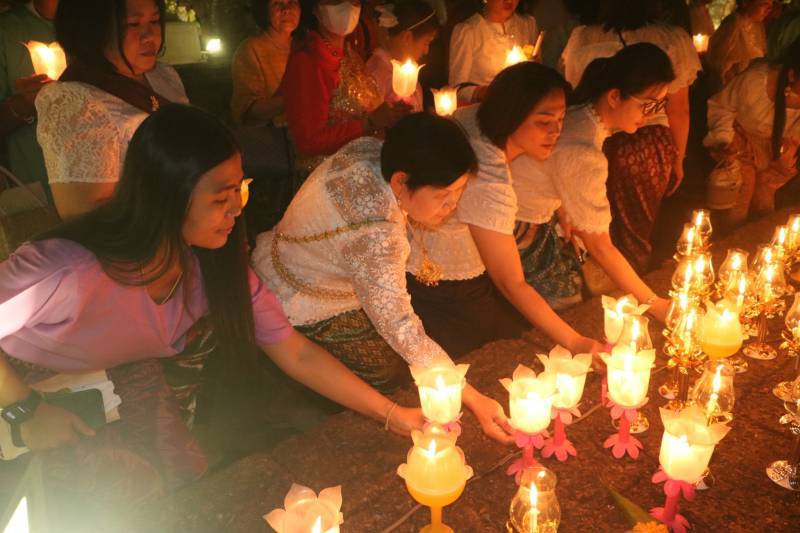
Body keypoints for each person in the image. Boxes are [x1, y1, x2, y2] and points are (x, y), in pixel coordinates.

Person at [0, 105, 422, 527]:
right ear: (167, 196)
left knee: (171, 494)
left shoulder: (207, 265)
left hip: (125, 386)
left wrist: (391, 414)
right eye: (221, 198)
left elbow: (296, 353)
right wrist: (25, 411)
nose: (237, 208)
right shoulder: (67, 268)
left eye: (239, 190)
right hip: (25, 391)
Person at [253, 113, 516, 443]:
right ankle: (309, 408)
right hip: (299, 299)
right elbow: (401, 327)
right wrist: (474, 399)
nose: (453, 205)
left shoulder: (371, 149)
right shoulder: (378, 237)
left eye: (460, 191)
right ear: (400, 182)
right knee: (385, 371)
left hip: (283, 256)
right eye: (443, 195)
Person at [406, 62, 602, 359]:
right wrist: (577, 343)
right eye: (543, 122)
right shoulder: (487, 177)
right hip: (441, 286)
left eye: (561, 119)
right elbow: (510, 282)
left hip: (429, 264)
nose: (556, 132)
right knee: (506, 347)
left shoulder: (476, 118)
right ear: (511, 116)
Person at [521, 43, 674, 321]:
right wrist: (656, 305)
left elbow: (551, 169)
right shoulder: (584, 151)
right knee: (568, 306)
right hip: (517, 227)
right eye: (648, 104)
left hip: (535, 216)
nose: (651, 114)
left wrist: (564, 210)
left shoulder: (581, 113)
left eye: (660, 105)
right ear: (614, 96)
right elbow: (601, 247)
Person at [560, 0, 701, 272]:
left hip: (605, 132)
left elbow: (575, 88)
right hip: (645, 149)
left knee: (592, 221)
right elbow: (679, 110)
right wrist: (678, 158)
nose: (648, 111)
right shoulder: (672, 38)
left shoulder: (583, 37)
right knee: (628, 231)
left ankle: (610, 276)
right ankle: (625, 276)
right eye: (648, 104)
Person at [35, 0, 189, 220]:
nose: (150, 36)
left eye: (155, 21)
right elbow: (83, 214)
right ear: (94, 29)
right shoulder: (76, 102)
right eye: (133, 24)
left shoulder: (164, 76)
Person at [281, 0, 407, 172]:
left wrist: (390, 115)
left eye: (353, 1)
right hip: (328, 176)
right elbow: (309, 140)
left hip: (365, 165)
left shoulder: (349, 54)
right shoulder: (308, 61)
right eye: (336, 1)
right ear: (315, 8)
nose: (347, 7)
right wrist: (368, 122)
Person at [704, 37, 800, 227]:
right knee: (738, 200)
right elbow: (722, 106)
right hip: (741, 145)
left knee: (764, 206)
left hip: (776, 153)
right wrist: (723, 139)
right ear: (791, 75)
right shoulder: (756, 82)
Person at [0, 0, 58, 192]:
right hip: (36, 185)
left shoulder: (105, 24)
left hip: (105, 186)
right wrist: (22, 104)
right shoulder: (8, 30)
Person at [448, 0, 538, 103]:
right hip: (485, 107)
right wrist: (483, 92)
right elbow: (457, 89)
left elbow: (537, 74)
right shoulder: (468, 31)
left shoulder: (528, 25)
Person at [230, 0, 301, 125]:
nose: (286, 9)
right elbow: (248, 109)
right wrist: (296, 100)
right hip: (275, 133)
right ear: (265, 10)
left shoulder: (305, 45)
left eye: (292, 2)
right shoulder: (251, 49)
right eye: (277, 3)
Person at [366, 0, 439, 112]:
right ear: (407, 37)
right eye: (426, 42)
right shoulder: (377, 75)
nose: (426, 51)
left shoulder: (408, 78)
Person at [707, 0, 772, 92]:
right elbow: (721, 68)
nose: (769, 10)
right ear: (746, 2)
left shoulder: (758, 26)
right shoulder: (733, 26)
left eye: (771, 5)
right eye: (764, 4)